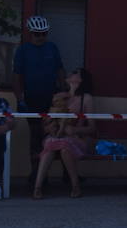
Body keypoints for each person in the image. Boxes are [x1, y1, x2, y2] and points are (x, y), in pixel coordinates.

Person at [13, 16, 65, 184]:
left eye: (44, 34)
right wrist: (20, 98)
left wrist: (64, 90)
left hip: (52, 99)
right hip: (32, 100)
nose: (41, 37)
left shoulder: (52, 48)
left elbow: (60, 70)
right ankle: (37, 175)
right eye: (37, 34)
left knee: (57, 134)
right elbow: (16, 77)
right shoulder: (22, 51)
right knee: (36, 137)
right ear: (31, 34)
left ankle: (66, 174)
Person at [33, 69, 94, 199]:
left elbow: (92, 128)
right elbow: (49, 119)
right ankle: (37, 187)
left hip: (78, 138)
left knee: (65, 148)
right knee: (50, 145)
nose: (71, 72)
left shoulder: (86, 99)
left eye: (75, 72)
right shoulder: (59, 96)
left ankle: (75, 186)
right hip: (57, 135)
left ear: (81, 79)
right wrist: (48, 126)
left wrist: (74, 130)